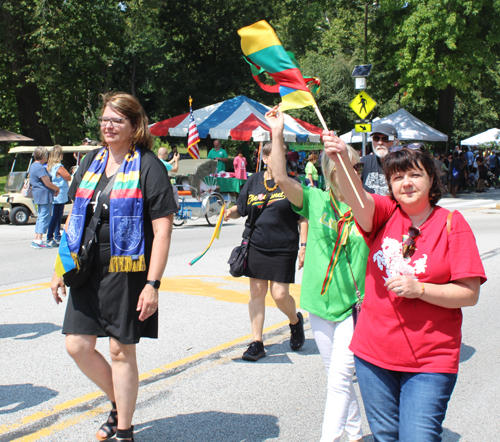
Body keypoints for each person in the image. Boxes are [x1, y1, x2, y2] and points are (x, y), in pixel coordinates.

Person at [322, 132, 486, 442]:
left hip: (430, 360)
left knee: (419, 437)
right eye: (397, 177)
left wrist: (420, 289)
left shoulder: (452, 223)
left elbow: (469, 293)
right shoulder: (384, 214)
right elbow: (357, 198)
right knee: (386, 436)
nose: (406, 183)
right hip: (373, 355)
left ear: (431, 180)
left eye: (414, 175)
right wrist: (341, 159)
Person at [50, 92, 177, 442]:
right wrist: (60, 267)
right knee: (77, 344)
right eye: (105, 119)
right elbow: (73, 218)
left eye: (116, 120)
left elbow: (162, 229)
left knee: (120, 349)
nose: (108, 125)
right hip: (86, 266)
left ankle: (124, 429)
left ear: (135, 125)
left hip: (128, 269)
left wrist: (153, 284)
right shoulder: (92, 161)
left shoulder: (149, 166)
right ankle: (119, 403)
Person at [265, 106, 367, 442]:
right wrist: (277, 133)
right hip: (319, 305)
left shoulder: (369, 205)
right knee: (335, 376)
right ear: (331, 172)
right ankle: (353, 433)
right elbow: (280, 178)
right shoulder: (315, 200)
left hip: (355, 307)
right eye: (348, 168)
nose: (356, 173)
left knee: (340, 378)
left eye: (358, 167)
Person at [223, 141, 306, 362]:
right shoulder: (253, 181)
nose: (279, 159)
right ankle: (257, 342)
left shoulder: (292, 183)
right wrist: (230, 212)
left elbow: (302, 217)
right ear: (265, 158)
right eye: (274, 156)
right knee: (257, 292)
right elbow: (241, 208)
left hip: (284, 246)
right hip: (257, 244)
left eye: (283, 156)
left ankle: (295, 321)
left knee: (279, 295)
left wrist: (304, 247)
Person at [30, 146, 60, 249]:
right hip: (44, 194)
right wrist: (57, 188)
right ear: (43, 155)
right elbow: (47, 183)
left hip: (38, 193)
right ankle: (39, 240)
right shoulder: (39, 167)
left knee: (41, 216)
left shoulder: (34, 165)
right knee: (45, 216)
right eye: (46, 155)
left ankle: (36, 238)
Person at [360, 124, 399, 195]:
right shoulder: (365, 162)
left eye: (386, 139)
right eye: (376, 138)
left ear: (396, 142)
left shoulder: (402, 164)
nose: (380, 142)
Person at [46, 145, 71, 247]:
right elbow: (68, 177)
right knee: (57, 216)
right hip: (60, 193)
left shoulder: (49, 166)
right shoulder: (59, 167)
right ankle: (50, 236)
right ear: (59, 155)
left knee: (56, 215)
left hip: (54, 192)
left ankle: (56, 235)